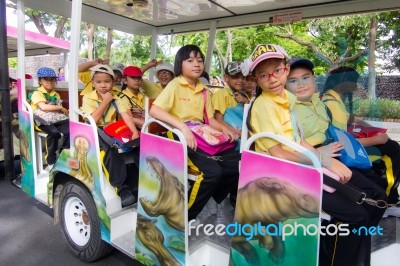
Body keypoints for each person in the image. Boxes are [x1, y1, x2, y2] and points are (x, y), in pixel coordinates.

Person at [246, 45, 386, 266]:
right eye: (263, 75)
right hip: (283, 173)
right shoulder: (264, 106)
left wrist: (326, 161)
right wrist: (324, 160)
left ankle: (347, 255)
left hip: (305, 164)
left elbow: (298, 139)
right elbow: (278, 152)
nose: (271, 79)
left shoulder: (287, 99)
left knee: (376, 198)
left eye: (277, 71)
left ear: (285, 68)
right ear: (256, 79)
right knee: (356, 215)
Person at [149, 44, 240, 220]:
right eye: (190, 60)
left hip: (201, 133)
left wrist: (225, 130)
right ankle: (187, 216)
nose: (196, 64)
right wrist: (182, 127)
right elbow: (155, 110)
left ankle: (211, 198)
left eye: (199, 60)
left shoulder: (205, 90)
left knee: (236, 164)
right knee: (212, 173)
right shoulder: (175, 84)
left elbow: (210, 120)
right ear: (180, 64)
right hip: (178, 135)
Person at [321, 66, 400, 204]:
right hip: (341, 153)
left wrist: (368, 127)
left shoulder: (328, 97)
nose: (355, 86)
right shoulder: (333, 104)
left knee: (390, 145)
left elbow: (350, 118)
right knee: (392, 149)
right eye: (354, 82)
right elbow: (343, 143)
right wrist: (377, 139)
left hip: (336, 148)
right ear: (344, 83)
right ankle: (389, 200)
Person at [81, 64, 139, 207]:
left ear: (113, 82)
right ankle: (122, 189)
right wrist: (106, 101)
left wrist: (135, 132)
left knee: (139, 144)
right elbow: (92, 120)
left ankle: (141, 184)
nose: (103, 85)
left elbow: (125, 116)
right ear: (93, 83)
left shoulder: (117, 97)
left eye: (107, 81)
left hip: (113, 128)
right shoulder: (88, 98)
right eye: (99, 82)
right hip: (94, 129)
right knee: (110, 149)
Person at [29, 67, 70, 167]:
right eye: (46, 79)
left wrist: (57, 109)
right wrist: (59, 107)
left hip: (56, 118)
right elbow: (43, 107)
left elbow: (53, 110)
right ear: (40, 81)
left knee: (71, 128)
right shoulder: (37, 93)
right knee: (54, 133)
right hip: (41, 120)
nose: (49, 81)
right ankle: (50, 159)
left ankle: (63, 153)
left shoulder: (55, 94)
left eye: (52, 79)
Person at [212, 61, 248, 137]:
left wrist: (246, 101)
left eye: (243, 77)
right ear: (226, 78)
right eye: (236, 77)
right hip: (229, 137)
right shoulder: (221, 95)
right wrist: (240, 134)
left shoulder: (245, 96)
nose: (240, 80)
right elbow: (218, 120)